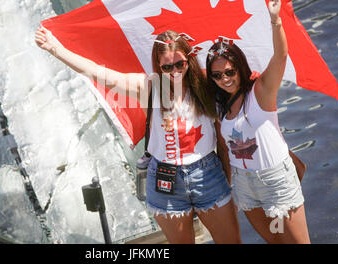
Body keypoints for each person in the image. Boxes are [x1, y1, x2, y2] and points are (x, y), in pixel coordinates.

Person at [35, 27, 241, 243]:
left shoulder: (207, 86)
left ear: (189, 59)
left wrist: (227, 182)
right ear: (158, 66)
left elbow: (225, 133)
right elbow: (98, 73)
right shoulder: (150, 88)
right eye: (167, 66)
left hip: (207, 173)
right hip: (165, 177)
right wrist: (55, 49)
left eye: (180, 64)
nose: (175, 72)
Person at [205, 0, 310, 244]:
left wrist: (275, 21)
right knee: (274, 242)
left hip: (275, 179)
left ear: (239, 67)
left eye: (229, 71)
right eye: (217, 75)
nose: (224, 79)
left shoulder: (260, 92)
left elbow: (281, 56)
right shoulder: (219, 105)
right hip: (245, 183)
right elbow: (223, 146)